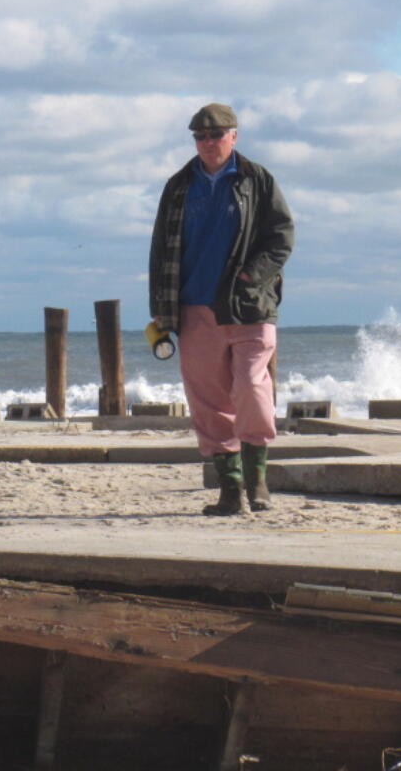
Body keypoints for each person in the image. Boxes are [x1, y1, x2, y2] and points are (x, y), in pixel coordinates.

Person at [149, 103, 294, 515]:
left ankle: (259, 482)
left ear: (235, 135)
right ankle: (230, 489)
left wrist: (253, 276)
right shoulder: (178, 185)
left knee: (251, 386)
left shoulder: (257, 180)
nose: (208, 143)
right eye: (200, 137)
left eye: (216, 135)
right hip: (194, 307)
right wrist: (161, 309)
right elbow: (160, 251)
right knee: (209, 402)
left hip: (250, 306)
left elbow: (281, 236)